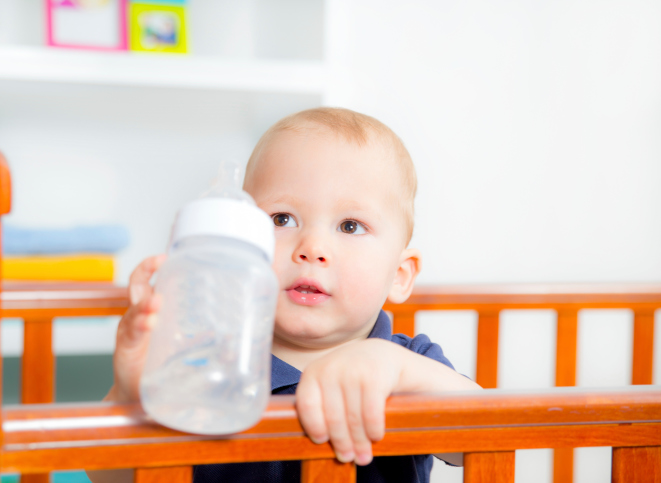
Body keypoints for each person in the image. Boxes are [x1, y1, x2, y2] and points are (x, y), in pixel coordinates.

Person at [88, 107, 481, 483]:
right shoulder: (211, 362)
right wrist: (131, 397)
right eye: (282, 219)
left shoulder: (412, 365)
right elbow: (115, 474)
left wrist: (396, 369)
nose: (311, 247)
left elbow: (480, 436)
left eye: (349, 225)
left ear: (399, 275)